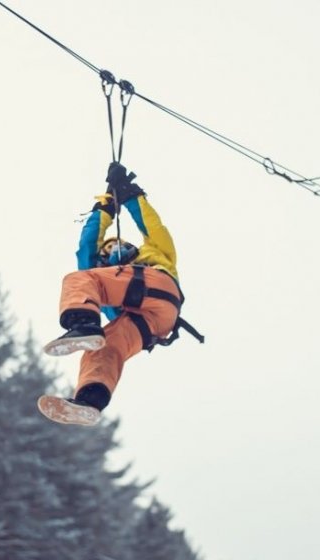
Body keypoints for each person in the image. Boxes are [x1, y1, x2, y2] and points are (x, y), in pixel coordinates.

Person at [38, 162, 199, 426]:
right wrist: (105, 209)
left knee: (79, 280)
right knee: (106, 347)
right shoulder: (106, 274)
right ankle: (90, 400)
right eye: (108, 250)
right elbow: (88, 246)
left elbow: (152, 226)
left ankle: (83, 324)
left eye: (120, 244)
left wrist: (126, 195)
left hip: (155, 286)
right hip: (155, 322)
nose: (115, 249)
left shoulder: (154, 255)